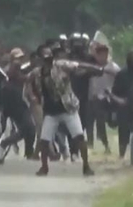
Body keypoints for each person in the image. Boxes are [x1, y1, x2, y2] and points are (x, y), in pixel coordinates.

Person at [29, 45, 103, 177]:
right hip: (51, 112)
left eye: (50, 57)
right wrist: (33, 95)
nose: (49, 61)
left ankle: (86, 166)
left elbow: (78, 65)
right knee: (44, 141)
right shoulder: (37, 73)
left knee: (79, 136)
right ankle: (44, 167)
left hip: (68, 108)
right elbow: (28, 82)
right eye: (45, 58)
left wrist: (96, 69)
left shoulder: (60, 65)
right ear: (40, 59)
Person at [0, 48, 37, 160]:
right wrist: (31, 75)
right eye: (17, 58)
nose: (19, 60)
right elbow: (16, 77)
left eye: (20, 58)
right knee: (28, 128)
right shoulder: (11, 69)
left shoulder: (18, 68)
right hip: (13, 104)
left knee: (29, 129)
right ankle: (4, 144)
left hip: (19, 102)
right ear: (12, 59)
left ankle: (28, 152)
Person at [108, 51, 133, 160]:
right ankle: (122, 155)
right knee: (123, 132)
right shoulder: (122, 74)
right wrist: (114, 109)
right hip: (124, 106)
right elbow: (115, 91)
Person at [87, 44, 119, 154]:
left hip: (108, 98)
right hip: (93, 98)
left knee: (106, 122)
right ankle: (92, 145)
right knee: (91, 122)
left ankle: (107, 145)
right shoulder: (91, 68)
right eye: (99, 55)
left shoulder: (113, 66)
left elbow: (118, 77)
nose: (102, 57)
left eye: (104, 54)